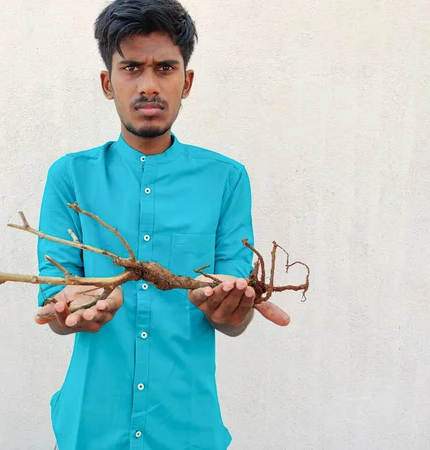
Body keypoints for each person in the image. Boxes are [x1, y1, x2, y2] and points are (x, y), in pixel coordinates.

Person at [34, 1, 290, 448]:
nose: (148, 85)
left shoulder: (226, 179)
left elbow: (232, 314)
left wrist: (234, 309)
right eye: (131, 67)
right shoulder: (70, 177)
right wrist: (70, 312)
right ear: (106, 83)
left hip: (187, 429)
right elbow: (55, 306)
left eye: (165, 68)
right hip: (89, 429)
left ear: (186, 81)